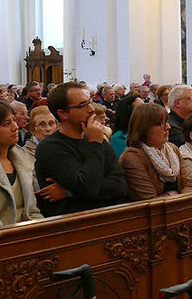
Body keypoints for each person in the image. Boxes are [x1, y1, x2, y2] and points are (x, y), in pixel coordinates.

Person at [34, 82, 127, 216]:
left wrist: (68, 192)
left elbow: (120, 186)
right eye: (83, 105)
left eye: (89, 102)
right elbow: (87, 187)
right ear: (63, 114)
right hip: (72, 226)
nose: (91, 109)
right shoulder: (51, 147)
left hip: (106, 218)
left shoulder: (98, 139)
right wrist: (95, 143)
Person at [0, 99, 43, 225]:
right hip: (2, 236)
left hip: (30, 230)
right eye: (6, 124)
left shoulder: (22, 157)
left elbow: (33, 210)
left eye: (14, 120)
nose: (15, 127)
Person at [119, 103, 184, 200]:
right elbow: (149, 201)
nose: (168, 127)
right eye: (160, 124)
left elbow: (189, 185)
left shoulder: (173, 149)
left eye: (167, 122)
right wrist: (177, 196)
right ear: (144, 128)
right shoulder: (132, 158)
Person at [111, 93, 145, 157]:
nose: (146, 112)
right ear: (129, 114)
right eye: (141, 109)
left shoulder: (146, 132)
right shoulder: (119, 138)